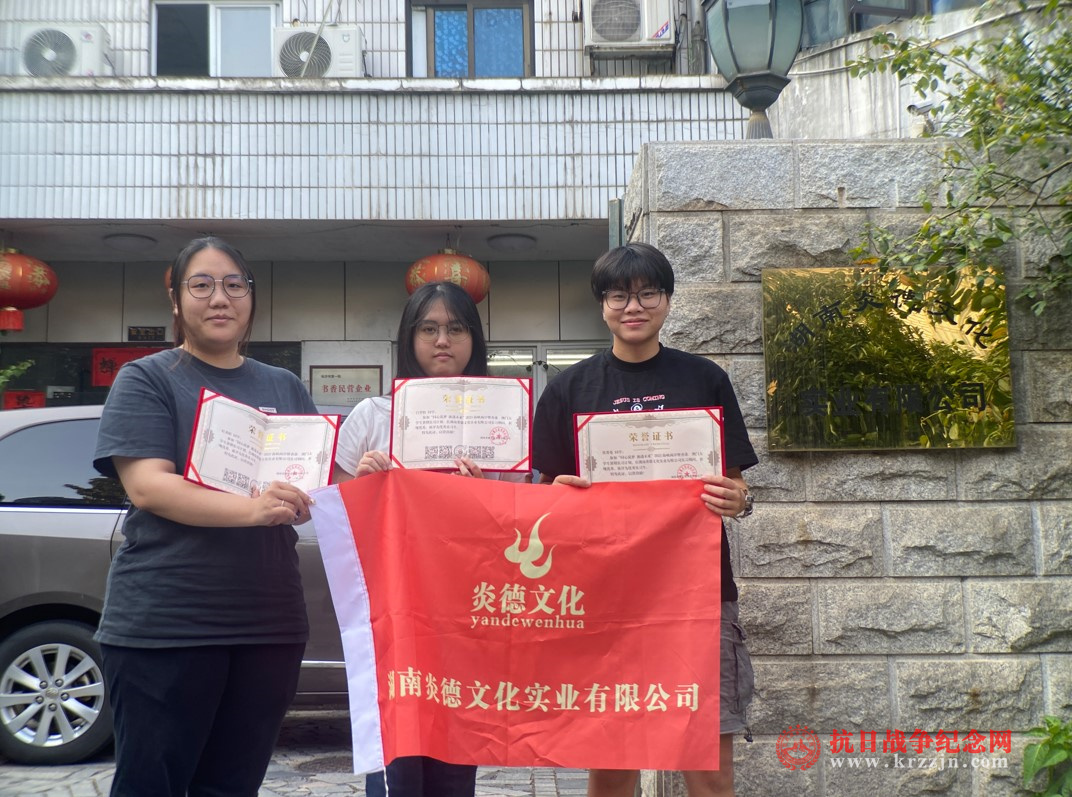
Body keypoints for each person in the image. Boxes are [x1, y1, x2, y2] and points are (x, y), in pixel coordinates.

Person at [93, 236, 318, 797]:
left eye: (234, 285)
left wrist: (350, 479)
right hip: (167, 625)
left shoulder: (284, 386)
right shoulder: (147, 378)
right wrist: (255, 508)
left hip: (269, 625)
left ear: (251, 296)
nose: (220, 298)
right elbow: (149, 486)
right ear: (176, 299)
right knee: (152, 785)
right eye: (202, 285)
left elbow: (310, 483)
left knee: (233, 787)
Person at [531, 242, 758, 797]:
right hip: (604, 595)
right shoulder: (568, 390)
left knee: (708, 764)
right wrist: (556, 498)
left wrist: (739, 499)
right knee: (613, 760)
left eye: (647, 293)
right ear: (602, 305)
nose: (633, 307)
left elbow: (734, 483)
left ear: (668, 300)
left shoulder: (704, 379)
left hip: (697, 593)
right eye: (618, 296)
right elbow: (543, 499)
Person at [333, 280, 529, 797]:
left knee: (456, 754)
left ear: (474, 339)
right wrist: (362, 485)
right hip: (392, 611)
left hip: (468, 611)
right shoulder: (371, 417)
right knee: (395, 758)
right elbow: (334, 520)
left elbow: (520, 521)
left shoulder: (503, 420)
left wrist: (483, 496)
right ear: (409, 337)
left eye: (456, 329)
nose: (443, 341)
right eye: (429, 329)